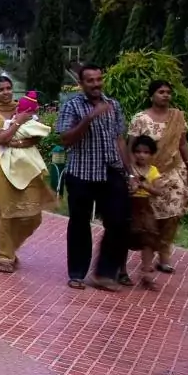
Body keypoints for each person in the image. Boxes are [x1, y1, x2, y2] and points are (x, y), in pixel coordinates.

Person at [56, 63, 130, 291]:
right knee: (79, 223)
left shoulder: (113, 105)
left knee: (119, 222)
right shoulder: (72, 106)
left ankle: (104, 273)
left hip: (111, 171)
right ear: (81, 84)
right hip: (82, 172)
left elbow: (119, 139)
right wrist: (88, 119)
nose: (96, 84)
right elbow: (65, 139)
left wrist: (129, 171)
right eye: (91, 81)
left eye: (99, 79)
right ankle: (77, 273)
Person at [0, 75, 56, 273]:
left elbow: (36, 136)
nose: (6, 92)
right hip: (1, 166)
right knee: (6, 212)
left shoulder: (24, 107)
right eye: (1, 89)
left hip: (26, 165)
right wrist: (17, 123)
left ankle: (11, 247)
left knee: (33, 215)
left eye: (9, 88)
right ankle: (4, 256)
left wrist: (17, 141)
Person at [127, 79, 188, 273]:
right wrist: (133, 174)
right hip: (147, 173)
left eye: (168, 92)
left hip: (173, 172)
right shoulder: (140, 118)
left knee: (173, 213)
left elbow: (182, 144)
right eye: (161, 92)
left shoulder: (177, 117)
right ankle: (148, 255)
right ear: (152, 96)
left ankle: (164, 255)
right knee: (150, 216)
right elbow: (131, 147)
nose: (165, 95)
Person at [126, 135, 162, 289]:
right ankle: (120, 271)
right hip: (130, 206)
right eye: (138, 152)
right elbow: (128, 187)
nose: (142, 155)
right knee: (125, 237)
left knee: (149, 238)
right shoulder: (130, 169)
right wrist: (133, 186)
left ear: (151, 154)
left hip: (145, 208)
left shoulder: (153, 171)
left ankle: (146, 272)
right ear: (133, 153)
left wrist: (143, 186)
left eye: (146, 152)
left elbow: (158, 191)